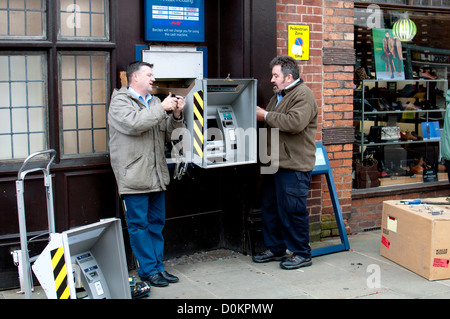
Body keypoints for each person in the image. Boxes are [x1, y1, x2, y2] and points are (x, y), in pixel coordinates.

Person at [108, 61, 185, 287]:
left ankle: (158, 268)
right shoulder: (120, 101)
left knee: (156, 223)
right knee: (139, 226)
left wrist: (176, 115)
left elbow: (169, 134)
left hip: (155, 175)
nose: (153, 79)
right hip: (133, 176)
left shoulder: (153, 102)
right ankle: (148, 271)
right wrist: (162, 109)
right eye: (149, 75)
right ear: (135, 78)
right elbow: (134, 124)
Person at [254, 55, 318, 270]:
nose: (272, 79)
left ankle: (301, 253)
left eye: (275, 75)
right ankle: (276, 248)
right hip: (274, 163)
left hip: (294, 165)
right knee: (271, 208)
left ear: (288, 77)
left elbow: (295, 123)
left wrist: (265, 116)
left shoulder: (303, 95)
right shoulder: (279, 95)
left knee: (293, 210)